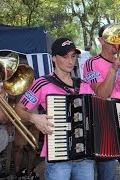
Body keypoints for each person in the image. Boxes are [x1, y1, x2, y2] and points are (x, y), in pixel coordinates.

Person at [15, 37, 95, 179]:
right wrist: (34, 118)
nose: (70, 61)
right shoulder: (42, 83)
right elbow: (18, 109)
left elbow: (99, 112)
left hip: (85, 156)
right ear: (53, 58)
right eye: (65, 57)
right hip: (58, 154)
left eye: (73, 56)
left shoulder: (84, 85)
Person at [83, 24, 120, 180]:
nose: (117, 42)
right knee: (107, 176)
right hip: (103, 128)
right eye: (112, 38)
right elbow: (102, 94)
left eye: (119, 38)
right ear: (101, 40)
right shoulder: (92, 63)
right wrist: (113, 69)